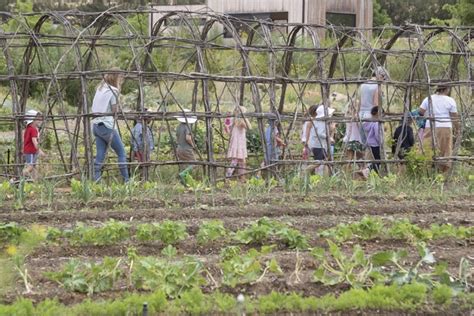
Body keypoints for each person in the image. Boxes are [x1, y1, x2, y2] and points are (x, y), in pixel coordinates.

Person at [91, 69, 129, 182]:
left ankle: (96, 180)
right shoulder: (113, 91)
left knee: (100, 155)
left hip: (96, 126)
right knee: (121, 152)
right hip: (107, 126)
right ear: (115, 78)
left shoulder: (100, 89)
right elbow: (114, 110)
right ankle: (126, 180)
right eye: (120, 78)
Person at [418, 85, 459, 172]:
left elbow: (421, 111)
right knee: (445, 149)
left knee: (428, 147)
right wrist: (458, 129)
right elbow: (454, 117)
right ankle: (442, 172)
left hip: (430, 126)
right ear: (446, 89)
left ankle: (426, 170)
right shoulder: (450, 100)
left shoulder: (428, 98)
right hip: (445, 127)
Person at [305, 105, 335, 175]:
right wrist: (329, 138)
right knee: (319, 162)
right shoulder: (321, 122)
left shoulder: (318, 121)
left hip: (317, 144)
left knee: (326, 161)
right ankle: (305, 171)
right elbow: (320, 134)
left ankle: (325, 178)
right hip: (318, 145)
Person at [226, 106, 251, 180]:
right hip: (238, 142)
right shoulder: (240, 121)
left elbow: (227, 126)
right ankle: (227, 176)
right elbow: (249, 127)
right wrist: (245, 118)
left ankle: (242, 178)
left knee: (241, 161)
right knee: (235, 160)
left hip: (237, 141)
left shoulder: (233, 119)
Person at [175, 108, 198, 185]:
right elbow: (188, 138)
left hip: (179, 148)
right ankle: (182, 174)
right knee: (194, 163)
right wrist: (193, 145)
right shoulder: (187, 126)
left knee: (184, 164)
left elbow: (177, 138)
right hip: (186, 148)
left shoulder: (179, 126)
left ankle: (184, 182)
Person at [22, 110, 45, 181]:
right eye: (37, 119)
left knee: (34, 167)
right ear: (32, 120)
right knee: (30, 167)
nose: (39, 120)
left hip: (31, 151)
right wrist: (40, 151)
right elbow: (34, 142)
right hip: (30, 151)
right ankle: (19, 177)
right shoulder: (32, 130)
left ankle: (35, 182)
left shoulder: (29, 128)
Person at [343, 105, 365, 172]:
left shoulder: (347, 116)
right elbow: (360, 126)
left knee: (354, 159)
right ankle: (349, 174)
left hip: (350, 139)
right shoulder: (354, 116)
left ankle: (357, 173)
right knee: (356, 158)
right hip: (354, 139)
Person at [361, 106, 382, 176]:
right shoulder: (376, 123)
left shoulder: (370, 122)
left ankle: (367, 172)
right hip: (375, 144)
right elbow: (377, 135)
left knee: (372, 160)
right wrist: (381, 142)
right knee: (377, 161)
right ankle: (368, 171)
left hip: (370, 143)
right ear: (377, 114)